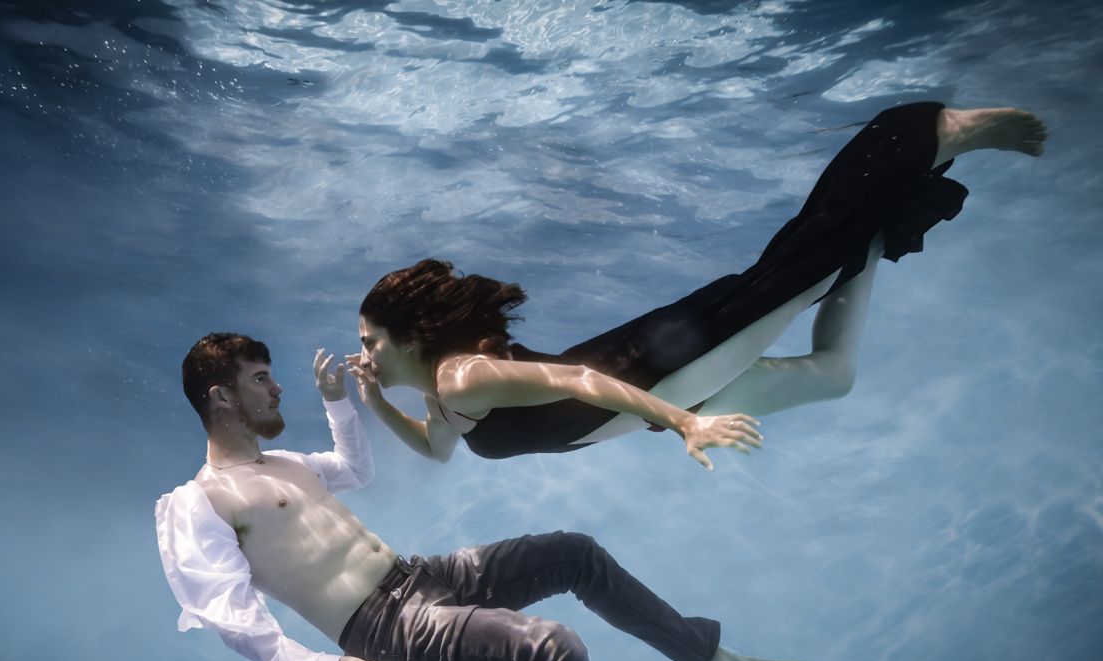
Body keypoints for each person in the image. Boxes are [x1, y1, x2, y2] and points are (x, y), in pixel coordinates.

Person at [155, 333, 814, 661]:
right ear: (221, 396)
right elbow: (231, 618)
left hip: (420, 577)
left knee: (575, 553)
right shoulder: (198, 503)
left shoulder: (284, 464)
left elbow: (355, 471)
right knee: (556, 653)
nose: (275, 389)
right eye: (260, 379)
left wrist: (339, 404)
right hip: (387, 633)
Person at [350, 103, 1047, 467]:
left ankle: (927, 132)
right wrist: (372, 398)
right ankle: (877, 231)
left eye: (370, 343)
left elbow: (580, 382)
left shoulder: (463, 380)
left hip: (665, 373)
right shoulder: (442, 399)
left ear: (411, 338)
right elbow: (434, 451)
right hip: (658, 401)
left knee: (798, 264)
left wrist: (686, 423)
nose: (365, 355)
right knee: (833, 374)